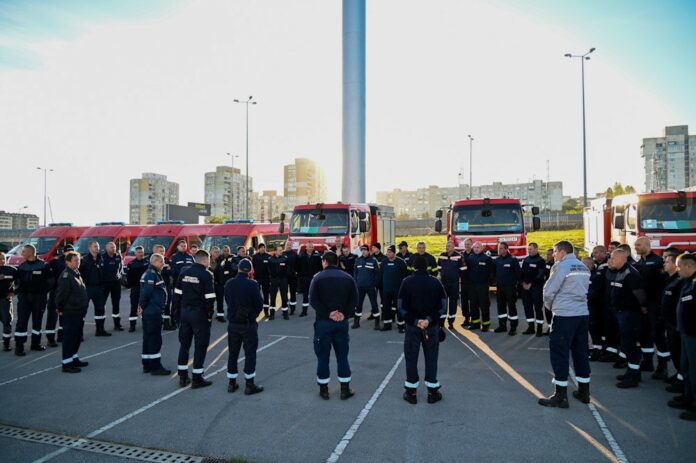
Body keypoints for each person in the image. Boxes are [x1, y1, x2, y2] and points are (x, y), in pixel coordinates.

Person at [539, 241, 591, 408]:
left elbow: (548, 292)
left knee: (559, 353)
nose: (553, 255)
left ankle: (560, 395)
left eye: (554, 252)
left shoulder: (561, 267)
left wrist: (551, 307)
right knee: (580, 352)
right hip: (582, 314)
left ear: (562, 252)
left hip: (564, 315)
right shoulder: (583, 267)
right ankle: (584, 392)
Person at [398, 254, 447, 405]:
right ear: (427, 267)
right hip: (431, 328)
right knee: (431, 358)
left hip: (413, 327)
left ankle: (411, 392)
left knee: (411, 359)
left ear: (413, 267)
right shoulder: (436, 282)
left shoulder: (406, 282)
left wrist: (415, 321)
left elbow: (400, 306)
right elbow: (443, 305)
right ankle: (432, 392)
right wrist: (429, 320)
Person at [309, 251, 358, 400]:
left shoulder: (317, 278)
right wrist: (343, 313)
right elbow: (354, 300)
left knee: (323, 357)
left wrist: (328, 313)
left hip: (324, 323)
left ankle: (324, 389)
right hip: (341, 323)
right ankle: (345, 389)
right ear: (337, 262)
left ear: (324, 262)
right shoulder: (348, 278)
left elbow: (313, 301)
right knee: (342, 356)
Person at [174, 249, 216, 389]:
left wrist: (177, 313)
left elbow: (177, 294)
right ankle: (197, 378)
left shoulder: (184, 273)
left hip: (185, 312)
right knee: (200, 345)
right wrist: (209, 315)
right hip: (199, 314)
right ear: (204, 260)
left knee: (184, 345)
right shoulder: (206, 274)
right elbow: (209, 297)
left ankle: (182, 376)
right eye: (209, 260)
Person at [606, 247, 647, 388]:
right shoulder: (619, 271)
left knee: (630, 345)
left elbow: (640, 294)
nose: (610, 260)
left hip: (630, 314)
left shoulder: (630, 273)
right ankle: (631, 371)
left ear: (623, 258)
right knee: (626, 344)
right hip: (622, 313)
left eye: (613, 258)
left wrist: (642, 306)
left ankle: (634, 376)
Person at [224, 258, 264, 395]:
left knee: (233, 353)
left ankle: (231, 383)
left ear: (238, 268)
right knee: (250, 353)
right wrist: (252, 316)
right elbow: (259, 304)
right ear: (250, 270)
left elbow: (227, 300)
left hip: (233, 324)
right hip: (248, 324)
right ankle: (249, 384)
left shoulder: (229, 283)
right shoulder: (253, 284)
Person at [633, 236, 669, 379]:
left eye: (639, 245)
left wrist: (657, 305)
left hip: (655, 305)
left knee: (658, 335)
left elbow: (661, 286)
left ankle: (663, 366)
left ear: (648, 245)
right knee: (643, 333)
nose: (636, 248)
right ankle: (648, 362)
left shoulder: (658, 262)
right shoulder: (640, 262)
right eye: (635, 245)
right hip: (643, 306)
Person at [668, 253, 696, 421]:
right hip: (686, 333)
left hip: (693, 334)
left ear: (689, 266)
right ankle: (688, 397)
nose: (677, 269)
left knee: (694, 370)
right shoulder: (686, 282)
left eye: (679, 266)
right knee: (686, 367)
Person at [14, 244, 53, 355]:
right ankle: (19, 346)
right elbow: (17, 283)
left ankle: (35, 344)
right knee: (21, 322)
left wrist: (41, 292)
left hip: (39, 298)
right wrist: (16, 292)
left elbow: (51, 282)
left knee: (37, 321)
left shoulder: (44, 266)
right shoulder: (21, 267)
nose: (22, 254)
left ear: (31, 252)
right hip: (24, 298)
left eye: (24, 251)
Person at [55, 251, 89, 373]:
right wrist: (60, 308)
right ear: (68, 262)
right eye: (75, 260)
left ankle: (74, 358)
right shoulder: (66, 275)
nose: (78, 262)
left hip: (79, 311)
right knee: (69, 338)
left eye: (79, 260)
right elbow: (61, 295)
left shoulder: (76, 273)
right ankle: (67, 364)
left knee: (77, 336)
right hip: (70, 312)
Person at [137, 253, 171, 375]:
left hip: (151, 311)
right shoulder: (151, 274)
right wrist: (143, 306)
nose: (163, 264)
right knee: (155, 339)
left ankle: (147, 364)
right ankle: (155, 366)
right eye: (161, 262)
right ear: (155, 262)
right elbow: (146, 293)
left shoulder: (153, 273)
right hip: (153, 312)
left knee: (148, 338)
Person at [662, 251, 685, 393]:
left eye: (668, 261)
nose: (664, 263)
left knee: (680, 353)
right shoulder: (669, 279)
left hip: (677, 325)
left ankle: (682, 382)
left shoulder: (680, 282)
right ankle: (679, 375)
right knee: (675, 353)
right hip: (669, 323)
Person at [80, 241, 110, 337]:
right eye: (95, 246)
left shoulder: (101, 258)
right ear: (89, 248)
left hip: (99, 288)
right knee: (83, 311)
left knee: (100, 310)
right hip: (87, 288)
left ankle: (100, 330)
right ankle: (79, 334)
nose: (97, 248)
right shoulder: (84, 260)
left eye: (97, 246)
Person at [493, 242, 521, 335]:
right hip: (500, 287)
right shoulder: (497, 260)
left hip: (510, 287)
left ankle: (513, 327)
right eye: (498, 248)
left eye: (501, 248)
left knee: (511, 306)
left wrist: (517, 284)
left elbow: (518, 274)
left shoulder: (513, 260)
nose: (499, 250)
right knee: (500, 306)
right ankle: (502, 325)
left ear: (506, 249)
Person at [466, 241, 494, 331]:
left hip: (483, 285)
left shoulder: (487, 258)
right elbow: (467, 270)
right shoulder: (470, 258)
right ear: (472, 248)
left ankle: (485, 324)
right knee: (473, 305)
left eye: (478, 247)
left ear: (482, 248)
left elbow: (492, 271)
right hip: (472, 285)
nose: (476, 249)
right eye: (475, 247)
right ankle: (475, 323)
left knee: (484, 305)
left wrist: (490, 282)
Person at [438, 241, 466, 329]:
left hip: (454, 284)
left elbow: (463, 270)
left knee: (453, 304)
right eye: (446, 246)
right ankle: (441, 322)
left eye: (449, 246)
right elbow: (439, 268)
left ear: (454, 247)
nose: (447, 247)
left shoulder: (459, 256)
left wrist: (456, 276)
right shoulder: (441, 255)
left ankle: (451, 322)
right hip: (443, 284)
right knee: (443, 303)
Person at [380, 245, 408, 332]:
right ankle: (387, 325)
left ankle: (401, 326)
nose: (388, 254)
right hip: (386, 290)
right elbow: (380, 275)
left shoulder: (401, 262)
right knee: (386, 307)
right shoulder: (384, 262)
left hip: (398, 290)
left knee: (399, 307)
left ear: (394, 253)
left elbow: (405, 276)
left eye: (390, 252)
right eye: (387, 252)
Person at [47, 245, 71, 344]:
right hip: (56, 293)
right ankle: (50, 338)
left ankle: (62, 336)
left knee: (64, 316)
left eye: (72, 251)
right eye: (68, 252)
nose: (70, 253)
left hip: (67, 294)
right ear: (63, 252)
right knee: (52, 316)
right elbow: (47, 273)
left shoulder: (74, 263)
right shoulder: (55, 262)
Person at [520, 242, 546, 336]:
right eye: (528, 249)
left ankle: (539, 329)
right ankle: (530, 327)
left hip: (536, 287)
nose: (529, 250)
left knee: (538, 308)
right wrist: (522, 283)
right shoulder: (526, 260)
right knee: (527, 307)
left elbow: (540, 275)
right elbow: (521, 273)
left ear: (536, 249)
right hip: (525, 288)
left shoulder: (541, 261)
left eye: (530, 249)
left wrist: (531, 284)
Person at [353, 245, 380, 329]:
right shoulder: (358, 260)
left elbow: (377, 274)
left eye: (365, 250)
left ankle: (377, 323)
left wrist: (374, 284)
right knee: (358, 304)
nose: (363, 251)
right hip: (360, 287)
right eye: (362, 250)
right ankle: (356, 322)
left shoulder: (373, 260)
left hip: (370, 287)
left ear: (368, 251)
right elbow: (355, 272)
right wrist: (356, 282)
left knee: (374, 304)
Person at [123, 246, 149, 332]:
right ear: (135, 253)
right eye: (138, 252)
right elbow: (128, 277)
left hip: (145, 288)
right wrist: (131, 286)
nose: (140, 254)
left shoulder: (147, 263)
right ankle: (132, 325)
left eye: (141, 252)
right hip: (135, 288)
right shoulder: (131, 264)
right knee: (134, 307)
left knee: (145, 306)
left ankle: (145, 324)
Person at [170, 240, 194, 326]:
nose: (183, 247)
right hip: (178, 284)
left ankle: (186, 320)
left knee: (188, 302)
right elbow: (173, 270)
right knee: (176, 302)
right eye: (182, 246)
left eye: (185, 246)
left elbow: (194, 268)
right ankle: (174, 320)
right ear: (178, 247)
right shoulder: (174, 257)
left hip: (189, 284)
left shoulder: (190, 257)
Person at [102, 242, 123, 332]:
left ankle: (117, 324)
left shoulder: (118, 257)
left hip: (116, 284)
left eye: (114, 247)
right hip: (105, 284)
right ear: (106, 248)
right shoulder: (101, 257)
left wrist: (120, 276)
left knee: (116, 304)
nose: (113, 249)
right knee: (102, 304)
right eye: (111, 247)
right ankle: (101, 326)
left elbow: (121, 268)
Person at [153, 244, 175, 331]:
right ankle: (155, 322)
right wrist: (165, 269)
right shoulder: (151, 261)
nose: (162, 253)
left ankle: (166, 323)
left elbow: (171, 271)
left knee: (167, 304)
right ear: (155, 252)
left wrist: (167, 269)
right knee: (156, 304)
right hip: (156, 286)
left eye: (163, 251)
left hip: (166, 285)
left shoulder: (167, 260)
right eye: (160, 251)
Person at [0, 252, 17, 352]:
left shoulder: (12, 270)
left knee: (7, 322)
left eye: (3, 258)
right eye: (0, 259)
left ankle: (6, 344)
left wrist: (13, 292)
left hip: (4, 300)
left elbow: (20, 282)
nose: (2, 260)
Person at [268, 244, 290, 320]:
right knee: (273, 297)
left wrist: (284, 276)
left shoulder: (285, 259)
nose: (281, 251)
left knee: (284, 297)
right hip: (274, 280)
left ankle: (285, 314)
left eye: (282, 250)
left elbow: (288, 269)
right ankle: (272, 314)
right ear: (275, 251)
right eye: (279, 250)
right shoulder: (270, 259)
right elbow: (268, 270)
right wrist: (271, 277)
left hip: (283, 280)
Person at [214, 245, 235, 323]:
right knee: (219, 301)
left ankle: (230, 315)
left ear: (229, 251)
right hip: (219, 283)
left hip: (229, 284)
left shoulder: (233, 258)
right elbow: (215, 270)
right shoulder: (219, 259)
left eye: (227, 251)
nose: (226, 252)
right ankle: (220, 316)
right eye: (224, 251)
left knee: (230, 300)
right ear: (222, 251)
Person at [251, 243, 271, 317]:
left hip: (266, 279)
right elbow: (252, 267)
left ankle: (266, 311)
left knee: (266, 295)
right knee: (257, 295)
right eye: (261, 247)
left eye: (264, 247)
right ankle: (257, 310)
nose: (263, 249)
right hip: (257, 279)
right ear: (258, 249)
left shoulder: (268, 256)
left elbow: (270, 268)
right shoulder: (255, 257)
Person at [460, 238, 474, 328]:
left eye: (468, 244)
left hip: (473, 282)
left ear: (471, 245)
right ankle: (466, 318)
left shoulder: (475, 254)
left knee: (473, 302)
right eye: (465, 244)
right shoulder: (461, 255)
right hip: (464, 281)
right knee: (464, 301)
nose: (467, 246)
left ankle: (474, 318)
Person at [282, 241, 299, 315]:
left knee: (293, 293)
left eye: (290, 245)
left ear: (292, 246)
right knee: (284, 293)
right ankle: (284, 309)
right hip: (284, 277)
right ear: (285, 245)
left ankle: (292, 309)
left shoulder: (295, 254)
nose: (289, 246)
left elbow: (298, 265)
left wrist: (296, 272)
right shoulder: (282, 254)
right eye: (287, 245)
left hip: (293, 277)